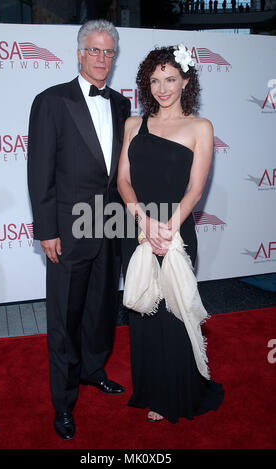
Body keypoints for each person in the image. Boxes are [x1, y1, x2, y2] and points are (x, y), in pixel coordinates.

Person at [27, 19, 131, 440]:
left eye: (109, 52)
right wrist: (47, 229)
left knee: (101, 310)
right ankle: (64, 403)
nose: (102, 59)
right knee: (64, 320)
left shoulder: (122, 105)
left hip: (110, 226)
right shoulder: (51, 101)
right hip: (68, 231)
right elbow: (39, 172)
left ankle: (93, 370)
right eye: (94, 50)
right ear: (79, 53)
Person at [117, 45, 224, 423]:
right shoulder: (134, 124)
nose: (162, 88)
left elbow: (196, 189)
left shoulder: (200, 127)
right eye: (155, 80)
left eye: (171, 80)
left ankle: (177, 393)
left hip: (176, 231)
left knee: (174, 313)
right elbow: (123, 180)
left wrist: (167, 227)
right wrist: (144, 222)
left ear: (186, 82)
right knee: (144, 309)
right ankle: (149, 388)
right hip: (139, 229)